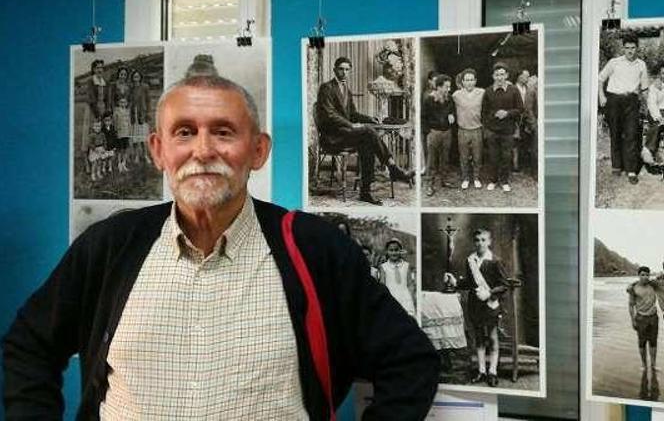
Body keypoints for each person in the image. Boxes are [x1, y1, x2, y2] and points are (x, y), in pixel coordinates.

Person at [4, 75, 439, 419]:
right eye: (184, 132)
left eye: (224, 132)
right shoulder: (111, 245)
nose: (203, 150)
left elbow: (410, 362)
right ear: (159, 150)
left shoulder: (314, 248)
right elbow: (29, 344)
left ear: (258, 150)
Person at [314, 56, 415, 205]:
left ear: (350, 71)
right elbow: (329, 115)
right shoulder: (326, 88)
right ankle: (392, 167)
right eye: (341, 69)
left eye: (347, 69)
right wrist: (350, 125)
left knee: (367, 141)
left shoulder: (346, 90)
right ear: (335, 70)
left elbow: (353, 114)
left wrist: (370, 119)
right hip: (332, 137)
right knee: (367, 133)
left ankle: (365, 192)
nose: (344, 72)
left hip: (345, 134)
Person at [443, 228, 509, 387]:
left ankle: (492, 371)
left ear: (489, 242)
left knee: (492, 338)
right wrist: (456, 282)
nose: (480, 243)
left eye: (483, 240)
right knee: (479, 338)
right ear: (474, 242)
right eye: (477, 240)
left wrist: (490, 293)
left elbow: (504, 285)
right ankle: (481, 371)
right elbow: (469, 283)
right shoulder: (470, 260)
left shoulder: (495, 260)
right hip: (475, 305)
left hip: (490, 304)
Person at [598, 34, 649, 184]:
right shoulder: (614, 62)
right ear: (623, 48)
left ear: (637, 48)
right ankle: (616, 166)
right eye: (627, 48)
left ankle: (631, 170)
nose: (630, 51)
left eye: (633, 48)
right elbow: (600, 79)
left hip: (632, 101)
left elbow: (645, 88)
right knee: (615, 133)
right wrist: (602, 96)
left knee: (632, 134)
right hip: (614, 100)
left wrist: (648, 106)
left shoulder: (641, 65)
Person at [481, 63, 523, 193]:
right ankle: (493, 180)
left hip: (508, 130)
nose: (499, 77)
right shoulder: (488, 91)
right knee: (493, 157)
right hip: (493, 131)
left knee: (506, 156)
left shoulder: (513, 90)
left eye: (502, 74)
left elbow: (520, 109)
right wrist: (491, 121)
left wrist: (507, 113)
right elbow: (484, 112)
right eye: (497, 74)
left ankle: (504, 181)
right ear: (493, 76)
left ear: (507, 75)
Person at [422, 74, 455, 196]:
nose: (448, 89)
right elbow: (423, 117)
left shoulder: (449, 99)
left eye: (449, 87)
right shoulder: (429, 99)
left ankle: (444, 180)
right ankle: (429, 185)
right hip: (434, 132)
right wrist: (428, 132)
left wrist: (452, 114)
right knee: (431, 161)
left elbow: (452, 110)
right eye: (446, 87)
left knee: (445, 158)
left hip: (447, 132)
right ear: (439, 87)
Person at [452, 68, 485, 189]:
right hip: (463, 130)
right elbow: (449, 107)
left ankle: (476, 178)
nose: (469, 82)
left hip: (477, 129)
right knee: (464, 156)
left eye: (472, 80)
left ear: (475, 81)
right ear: (463, 82)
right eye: (467, 80)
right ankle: (465, 178)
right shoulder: (456, 95)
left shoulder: (482, 93)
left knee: (477, 156)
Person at [627, 266, 659, 372]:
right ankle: (644, 365)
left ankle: (653, 365)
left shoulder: (653, 285)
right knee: (642, 343)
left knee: (653, 342)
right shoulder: (633, 288)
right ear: (639, 275)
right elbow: (631, 305)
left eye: (647, 275)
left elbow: (663, 277)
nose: (645, 277)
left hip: (653, 317)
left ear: (649, 276)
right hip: (641, 318)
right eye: (642, 275)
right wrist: (632, 320)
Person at [378, 238, 416, 316]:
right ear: (387, 252)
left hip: (405, 298)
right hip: (390, 297)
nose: (394, 252)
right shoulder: (384, 267)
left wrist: (411, 298)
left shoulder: (406, 265)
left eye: (396, 250)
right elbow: (382, 285)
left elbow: (410, 284)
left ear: (400, 251)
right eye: (391, 250)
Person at [513, 69, 537, 175]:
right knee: (515, 142)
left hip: (526, 118)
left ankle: (524, 164)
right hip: (517, 118)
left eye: (528, 76)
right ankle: (515, 165)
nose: (527, 78)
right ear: (519, 77)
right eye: (525, 76)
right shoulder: (513, 88)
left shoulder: (528, 88)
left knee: (525, 141)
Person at [129, 69, 151, 164]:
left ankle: (145, 155)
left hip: (142, 112)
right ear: (132, 78)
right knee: (135, 136)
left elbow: (148, 100)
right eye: (134, 77)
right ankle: (136, 155)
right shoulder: (131, 88)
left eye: (137, 76)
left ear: (140, 77)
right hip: (134, 113)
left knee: (143, 136)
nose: (136, 78)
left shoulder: (145, 87)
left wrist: (148, 112)